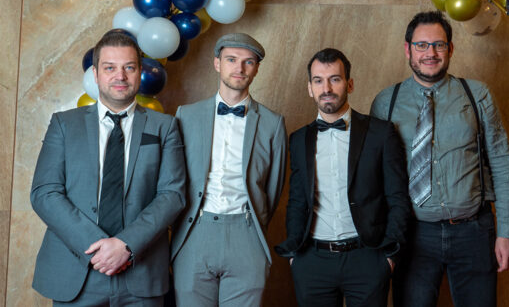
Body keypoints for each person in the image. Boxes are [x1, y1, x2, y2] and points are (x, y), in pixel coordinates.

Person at [370, 11, 509, 307]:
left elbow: (503, 165)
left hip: (474, 232)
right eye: (422, 45)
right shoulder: (386, 102)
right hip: (412, 235)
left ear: (450, 49)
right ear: (407, 49)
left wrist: (506, 232)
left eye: (438, 45)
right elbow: (374, 176)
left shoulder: (477, 95)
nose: (430, 53)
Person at [30, 32, 186, 305]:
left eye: (129, 67)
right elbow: (45, 193)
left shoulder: (165, 127)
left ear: (140, 72)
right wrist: (99, 247)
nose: (120, 76)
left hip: (141, 272)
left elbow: (172, 195)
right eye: (109, 67)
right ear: (96, 73)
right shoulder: (64, 124)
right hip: (77, 270)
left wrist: (126, 245)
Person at [275, 48, 411, 307]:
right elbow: (296, 201)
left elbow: (398, 197)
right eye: (318, 80)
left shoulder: (381, 134)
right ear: (310, 88)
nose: (326, 88)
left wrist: (389, 257)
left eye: (334, 79)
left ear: (349, 84)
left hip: (368, 258)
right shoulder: (299, 139)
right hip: (312, 261)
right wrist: (295, 256)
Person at [170, 33, 287, 306]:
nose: (240, 68)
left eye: (248, 62)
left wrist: (252, 228)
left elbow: (274, 187)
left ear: (257, 68)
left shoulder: (272, 123)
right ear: (217, 64)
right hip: (194, 231)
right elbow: (174, 179)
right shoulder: (185, 115)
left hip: (246, 232)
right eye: (231, 60)